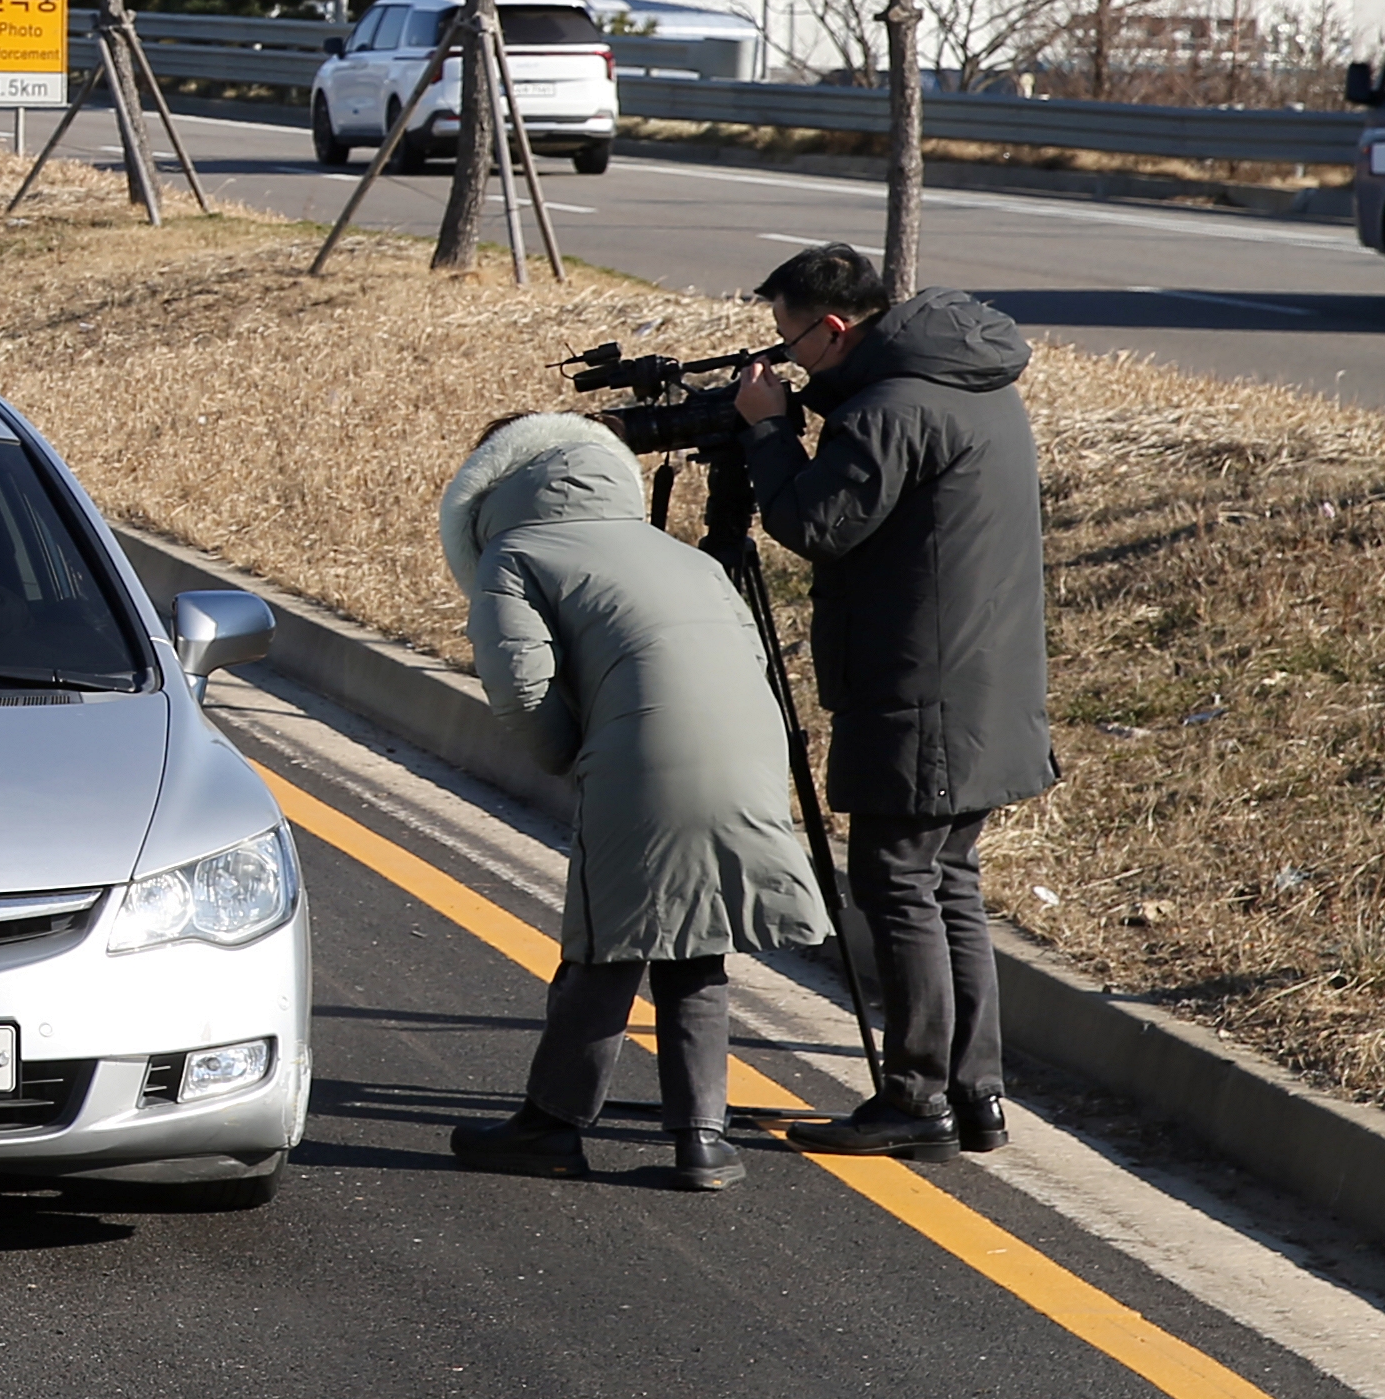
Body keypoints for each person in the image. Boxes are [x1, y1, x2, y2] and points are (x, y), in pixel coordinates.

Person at [440, 414, 831, 1192]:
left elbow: (522, 684)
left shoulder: (515, 554)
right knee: (697, 940)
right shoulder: (682, 555)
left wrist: (565, 752)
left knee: (605, 943)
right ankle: (703, 1139)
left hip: (643, 757)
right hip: (751, 755)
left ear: (492, 483)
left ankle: (552, 1125)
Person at [731, 242, 1052, 1159]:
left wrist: (765, 433)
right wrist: (805, 408)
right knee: (948, 880)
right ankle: (974, 1090)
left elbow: (815, 523)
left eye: (790, 341)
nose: (785, 358)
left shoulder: (890, 406)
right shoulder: (966, 379)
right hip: (985, 682)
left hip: (922, 691)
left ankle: (915, 1097)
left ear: (834, 327)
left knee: (897, 883)